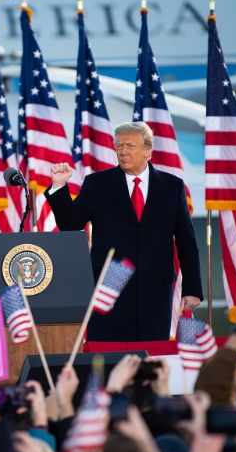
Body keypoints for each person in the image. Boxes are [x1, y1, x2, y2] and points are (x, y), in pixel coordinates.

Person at [45, 121, 203, 348]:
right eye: (119, 146)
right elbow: (71, 224)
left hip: (154, 290)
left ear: (148, 150)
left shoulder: (172, 187)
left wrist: (192, 289)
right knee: (107, 356)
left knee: (150, 359)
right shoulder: (97, 184)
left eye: (130, 145)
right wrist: (59, 188)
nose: (122, 151)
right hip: (109, 289)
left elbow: (187, 242)